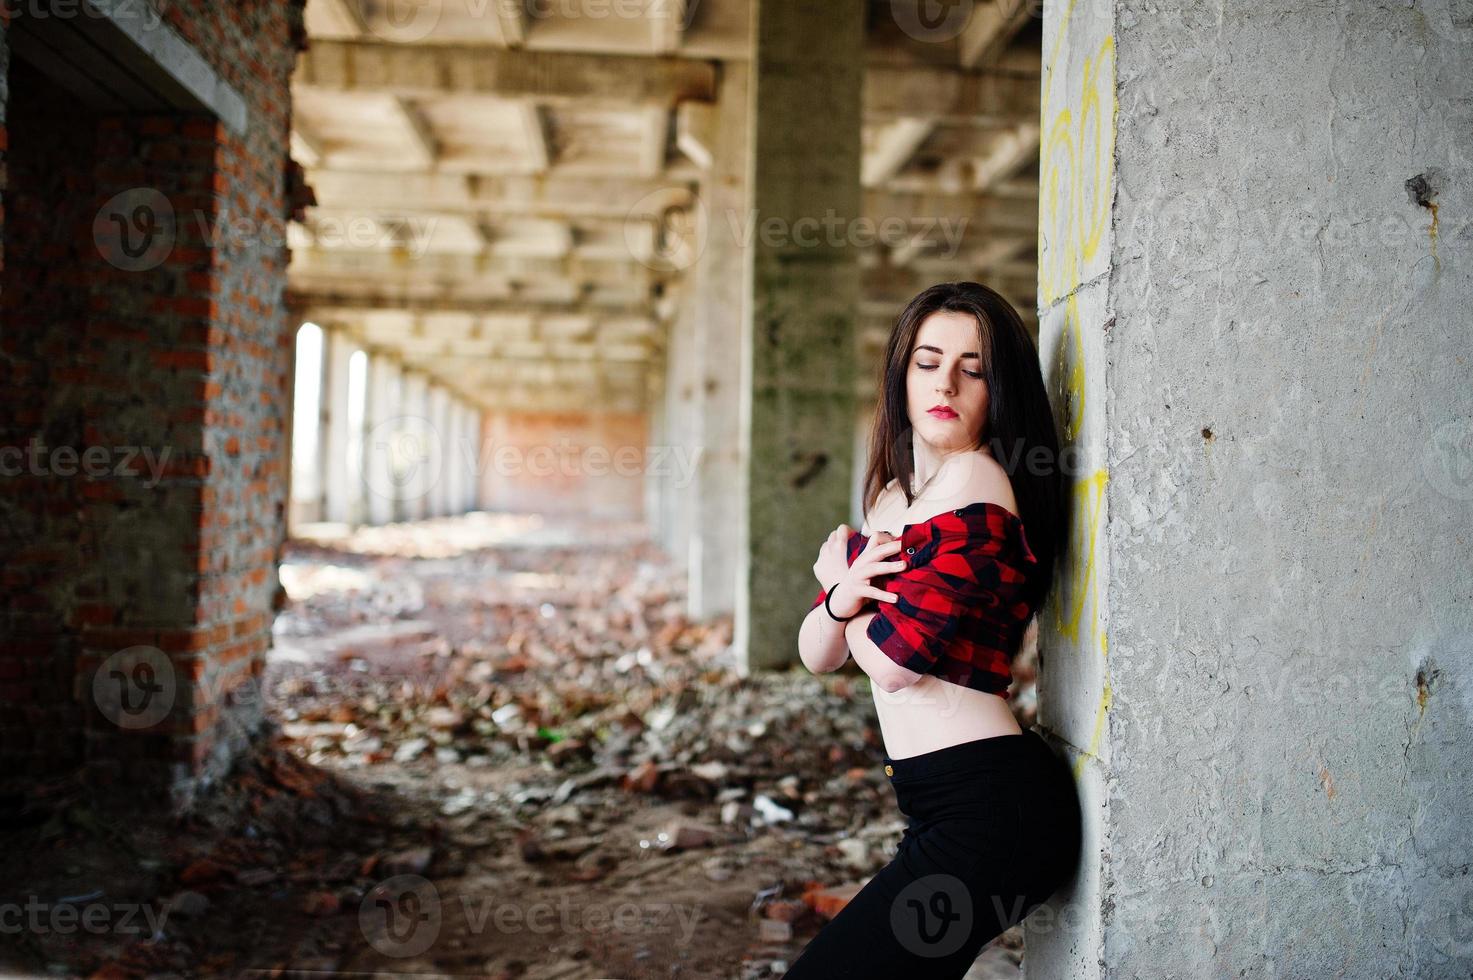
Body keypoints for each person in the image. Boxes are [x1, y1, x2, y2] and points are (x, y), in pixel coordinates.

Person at [787, 281, 1082, 978]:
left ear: (996, 389)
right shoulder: (896, 495)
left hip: (992, 811)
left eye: (972, 368)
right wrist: (838, 607)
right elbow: (814, 654)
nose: (945, 382)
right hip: (942, 807)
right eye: (927, 361)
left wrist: (841, 591)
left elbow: (894, 661)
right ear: (900, 374)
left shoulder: (976, 484)